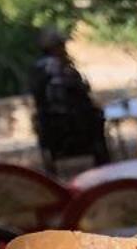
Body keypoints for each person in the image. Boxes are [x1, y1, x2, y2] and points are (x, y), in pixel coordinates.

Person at [29, 28, 111, 170]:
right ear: (55, 47)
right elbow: (80, 93)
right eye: (61, 45)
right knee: (97, 118)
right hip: (76, 128)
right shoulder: (61, 69)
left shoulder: (37, 70)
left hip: (51, 129)